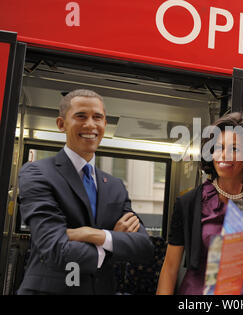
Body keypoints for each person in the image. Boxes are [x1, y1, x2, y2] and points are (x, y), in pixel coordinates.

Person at [17, 89, 154, 294]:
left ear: (105, 125)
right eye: (81, 116)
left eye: (97, 117)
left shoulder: (115, 185)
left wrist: (92, 234)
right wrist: (112, 240)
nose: (90, 124)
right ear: (61, 124)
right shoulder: (37, 173)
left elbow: (144, 248)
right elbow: (56, 249)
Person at [157, 112, 243, 295]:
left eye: (234, 149)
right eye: (219, 147)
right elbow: (170, 268)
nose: (224, 155)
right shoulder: (189, 203)